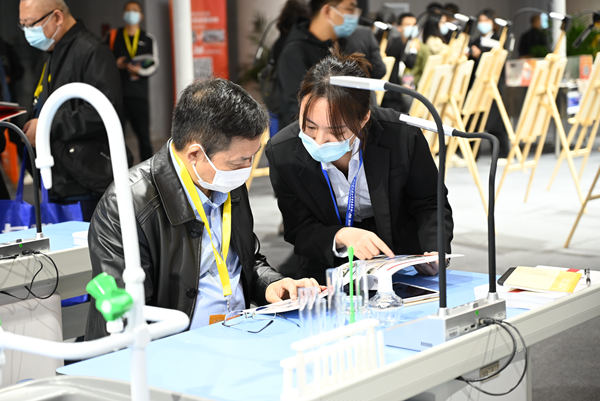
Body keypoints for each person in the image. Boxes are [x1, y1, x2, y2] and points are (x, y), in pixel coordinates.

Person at [85, 78, 322, 339]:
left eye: (252, 157)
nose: (247, 169)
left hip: (237, 333)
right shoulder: (128, 204)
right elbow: (128, 309)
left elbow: (246, 259)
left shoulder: (225, 180)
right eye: (239, 162)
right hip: (173, 346)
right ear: (195, 154)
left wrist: (271, 284)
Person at [266, 47, 454, 284]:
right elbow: (298, 228)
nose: (319, 141)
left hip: (400, 260)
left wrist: (435, 250)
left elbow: (429, 202)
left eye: (336, 131)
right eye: (309, 126)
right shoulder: (283, 152)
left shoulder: (401, 136)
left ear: (364, 119)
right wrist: (341, 235)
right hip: (329, 269)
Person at [19, 0, 122, 221]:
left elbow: (103, 112)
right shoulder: (49, 54)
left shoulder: (92, 51)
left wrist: (47, 125)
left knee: (86, 241)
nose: (27, 32)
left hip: (85, 180)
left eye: (31, 24)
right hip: (57, 177)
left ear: (57, 17)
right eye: (22, 25)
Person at [277, 0, 362, 125]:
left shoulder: (343, 45)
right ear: (327, 11)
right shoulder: (295, 52)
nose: (354, 15)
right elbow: (298, 111)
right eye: (350, 9)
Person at [105, 1, 159, 162]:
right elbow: (103, 60)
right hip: (118, 94)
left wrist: (139, 71)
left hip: (138, 94)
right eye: (128, 11)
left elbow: (155, 64)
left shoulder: (148, 39)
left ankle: (148, 171)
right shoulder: (113, 36)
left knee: (144, 136)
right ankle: (118, 169)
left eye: (135, 11)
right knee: (116, 135)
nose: (131, 13)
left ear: (141, 16)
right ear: (123, 15)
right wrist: (116, 64)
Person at [468, 8, 510, 160]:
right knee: (473, 119)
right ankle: (472, 154)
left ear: (493, 22)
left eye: (486, 20)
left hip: (493, 84)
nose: (483, 24)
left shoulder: (500, 40)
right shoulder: (475, 41)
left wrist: (480, 55)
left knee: (495, 120)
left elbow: (498, 62)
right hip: (477, 84)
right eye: (480, 21)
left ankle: (501, 153)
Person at [381, 12, 423, 112]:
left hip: (395, 91)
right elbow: (410, 63)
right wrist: (413, 50)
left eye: (414, 25)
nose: (412, 28)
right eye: (408, 25)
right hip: (390, 94)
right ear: (399, 28)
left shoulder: (405, 42)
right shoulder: (396, 43)